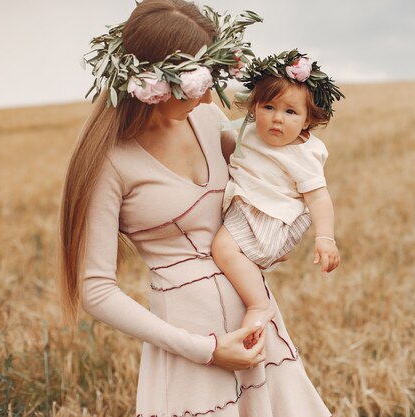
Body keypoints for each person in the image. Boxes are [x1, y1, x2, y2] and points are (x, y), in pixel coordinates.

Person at [58, 1, 332, 416]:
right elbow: (96, 291)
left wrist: (285, 231)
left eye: (212, 78)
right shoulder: (109, 163)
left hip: (258, 328)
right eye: (197, 82)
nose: (209, 93)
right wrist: (205, 349)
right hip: (190, 347)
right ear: (152, 79)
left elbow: (273, 170)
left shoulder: (205, 119)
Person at [211, 50, 344, 349]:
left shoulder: (302, 154)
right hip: (247, 205)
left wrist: (325, 238)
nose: (276, 118)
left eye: (290, 112)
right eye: (268, 106)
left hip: (269, 214)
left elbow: (319, 198)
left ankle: (259, 304)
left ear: (308, 119)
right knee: (232, 251)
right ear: (254, 107)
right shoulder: (250, 132)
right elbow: (223, 138)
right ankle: (257, 269)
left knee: (223, 248)